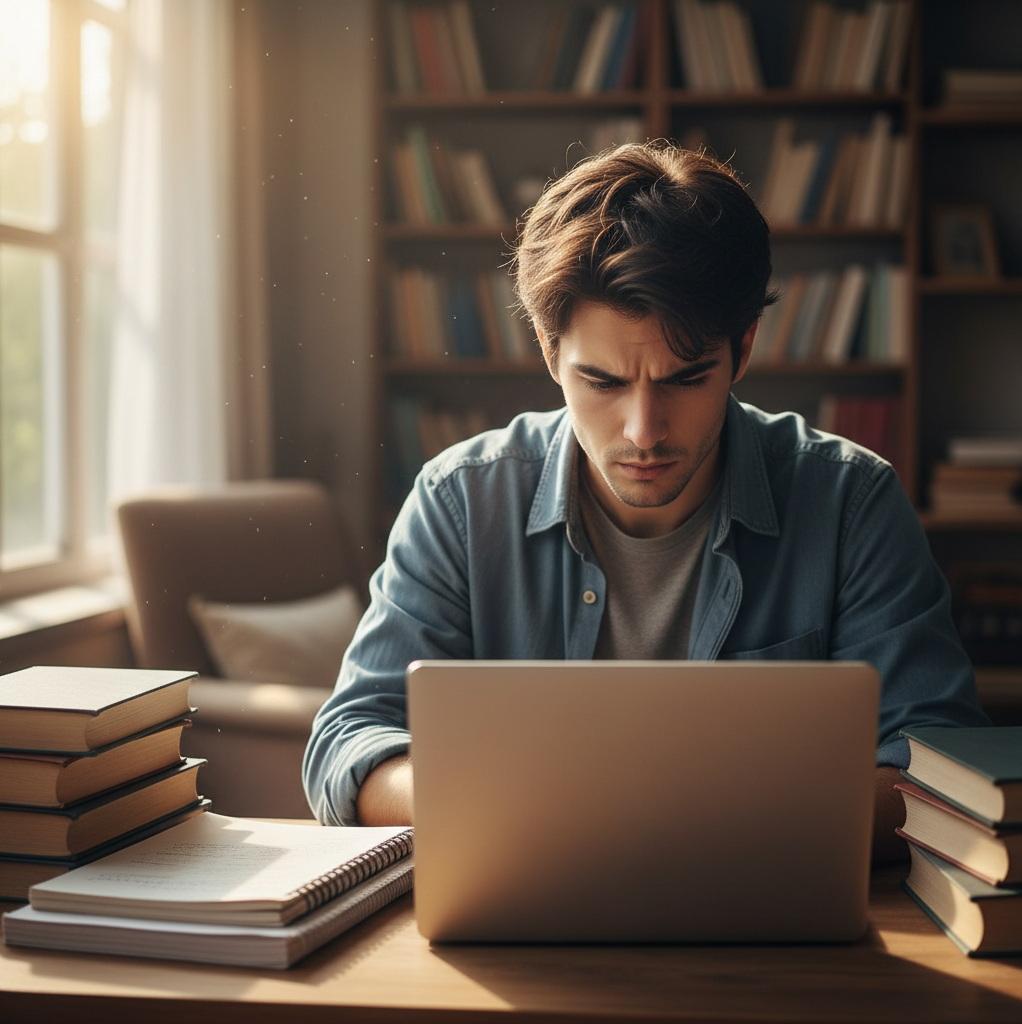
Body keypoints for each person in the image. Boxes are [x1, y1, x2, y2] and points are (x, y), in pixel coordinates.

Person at [303, 143, 988, 857]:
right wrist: (537, 811)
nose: (644, 432)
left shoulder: (851, 503)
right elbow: (348, 747)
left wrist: (684, 823)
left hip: (764, 914)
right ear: (549, 351)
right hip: (527, 902)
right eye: (602, 382)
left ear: (743, 349)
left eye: (685, 379)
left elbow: (941, 772)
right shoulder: (461, 502)